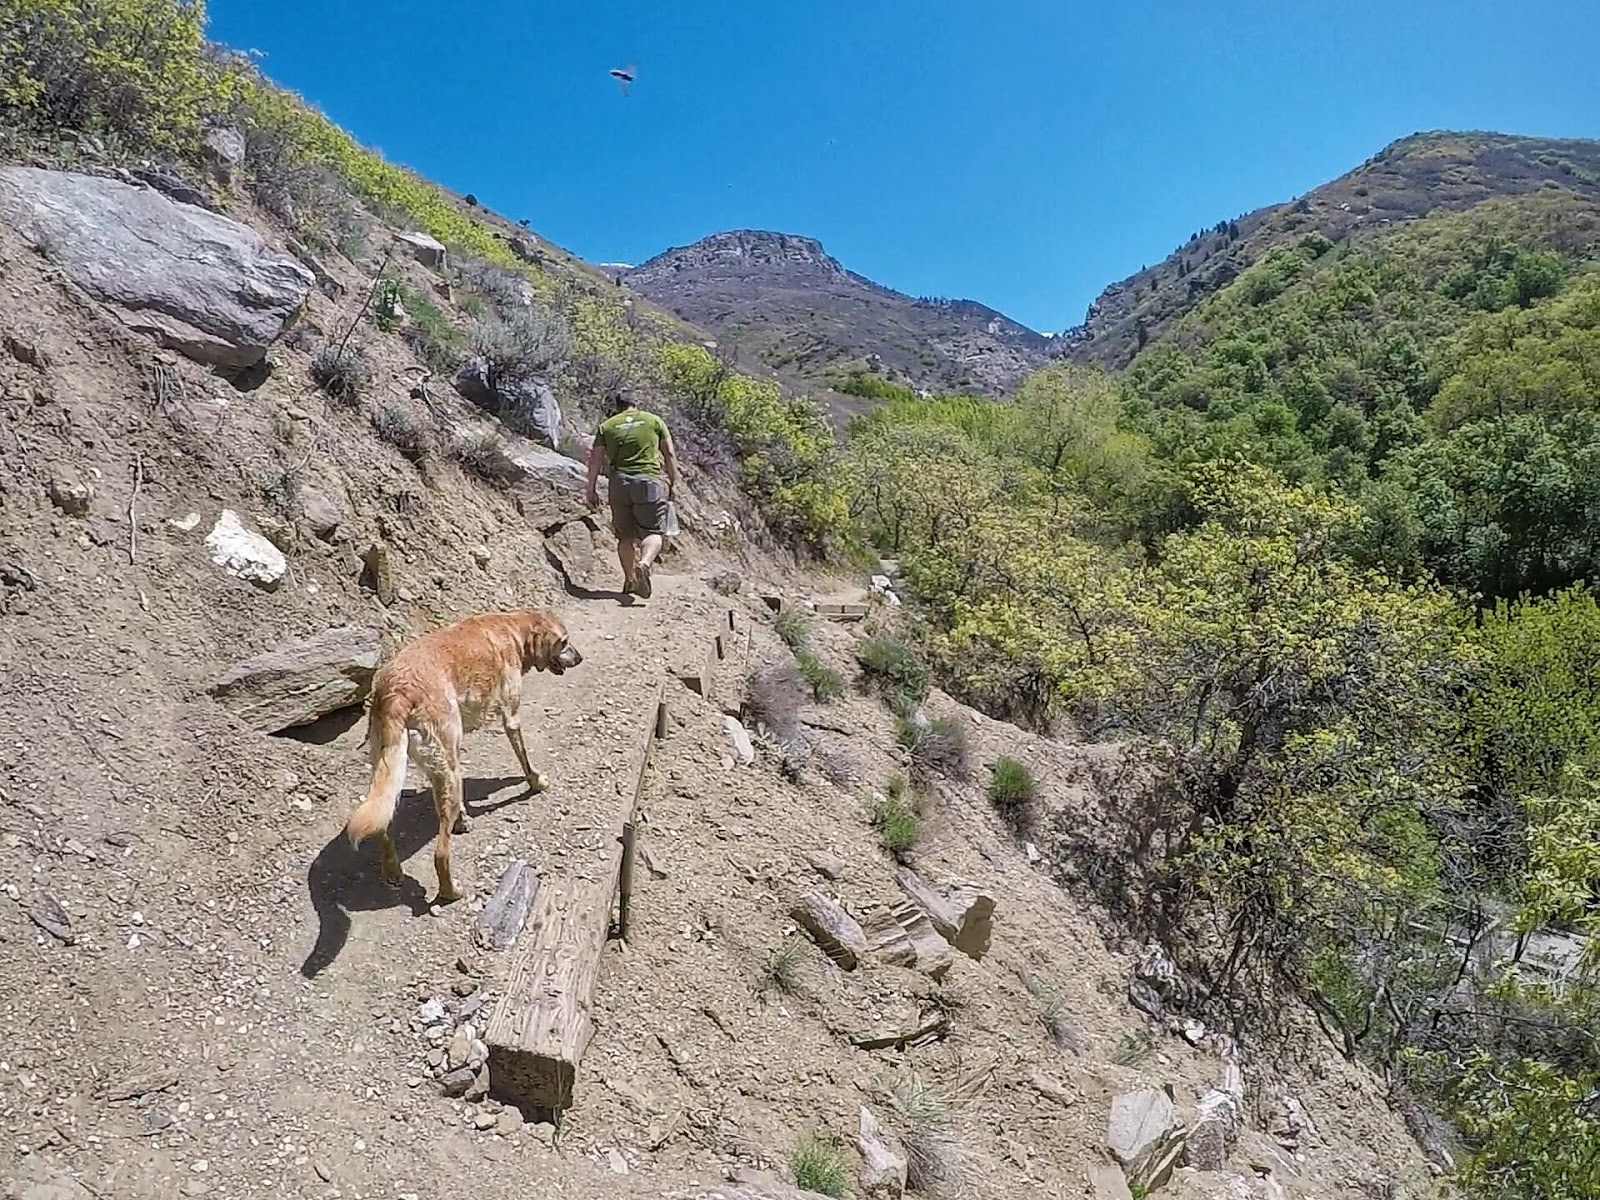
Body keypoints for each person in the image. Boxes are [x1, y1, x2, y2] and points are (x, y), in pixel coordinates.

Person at [584, 390, 678, 598]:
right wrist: (673, 482)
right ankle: (644, 564)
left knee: (625, 536)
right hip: (648, 482)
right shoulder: (654, 421)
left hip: (619, 483)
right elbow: (669, 453)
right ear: (637, 403)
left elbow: (595, 460)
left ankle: (630, 580)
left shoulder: (606, 426)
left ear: (617, 406)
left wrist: (590, 489)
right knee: (653, 532)